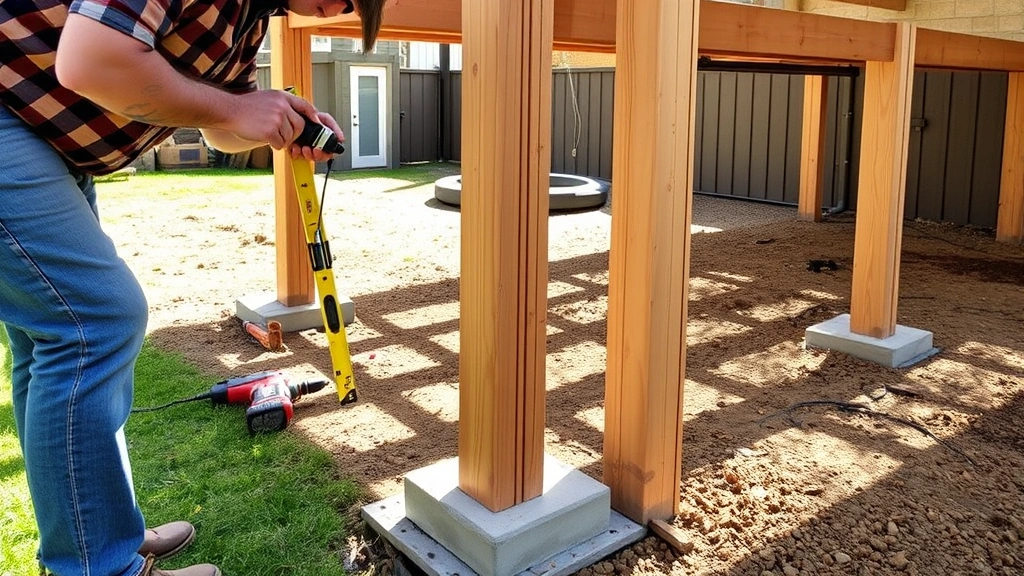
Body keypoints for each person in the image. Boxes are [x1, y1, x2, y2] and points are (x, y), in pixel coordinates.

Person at [0, 0, 386, 574]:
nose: (340, 8)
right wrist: (239, 107)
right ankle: (98, 563)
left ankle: (100, 536)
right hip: (12, 121)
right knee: (96, 323)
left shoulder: (251, 17)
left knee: (48, 347)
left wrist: (270, 118)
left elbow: (218, 128)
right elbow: (89, 60)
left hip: (50, 147)